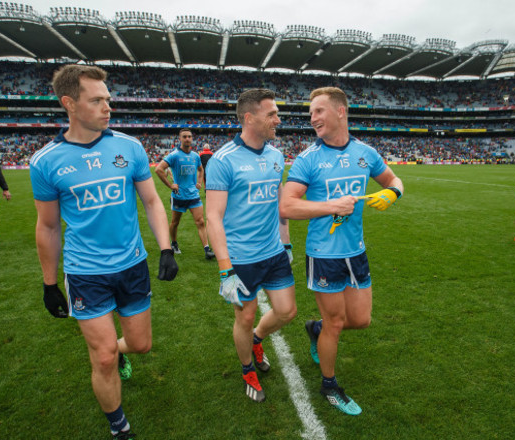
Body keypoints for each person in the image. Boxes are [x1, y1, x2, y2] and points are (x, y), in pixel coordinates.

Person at [29, 64, 178, 440]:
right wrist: (50, 284)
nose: (107, 107)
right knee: (104, 355)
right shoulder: (46, 161)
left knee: (140, 344)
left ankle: (121, 350)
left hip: (132, 265)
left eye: (107, 99)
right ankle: (119, 427)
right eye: (96, 100)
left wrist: (165, 248)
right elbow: (47, 226)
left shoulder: (128, 147)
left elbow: (151, 201)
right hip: (85, 272)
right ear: (70, 103)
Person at [280, 87, 404, 416]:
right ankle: (329, 385)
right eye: (311, 114)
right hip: (324, 254)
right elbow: (287, 205)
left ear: (340, 112)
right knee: (336, 321)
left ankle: (315, 329)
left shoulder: (366, 152)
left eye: (319, 111)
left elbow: (395, 180)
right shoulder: (309, 158)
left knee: (360, 320)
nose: (313, 119)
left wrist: (393, 194)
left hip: (356, 250)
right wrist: (331, 205)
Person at [206, 88, 296, 403]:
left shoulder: (275, 155)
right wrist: (224, 269)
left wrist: (286, 244)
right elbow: (213, 218)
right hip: (240, 259)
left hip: (273, 253)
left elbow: (280, 203)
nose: (278, 120)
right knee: (244, 317)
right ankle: (247, 368)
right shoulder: (222, 160)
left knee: (287, 311)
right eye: (271, 114)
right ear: (249, 117)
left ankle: (258, 338)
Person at [155, 129, 215, 259]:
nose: (187, 139)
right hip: (178, 196)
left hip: (193, 195)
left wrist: (199, 182)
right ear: (180, 139)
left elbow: (200, 169)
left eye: (189, 136)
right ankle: (174, 243)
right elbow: (159, 169)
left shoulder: (195, 156)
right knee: (175, 222)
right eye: (184, 137)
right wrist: (170, 185)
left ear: (192, 138)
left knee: (200, 222)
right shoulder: (174, 155)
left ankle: (207, 250)